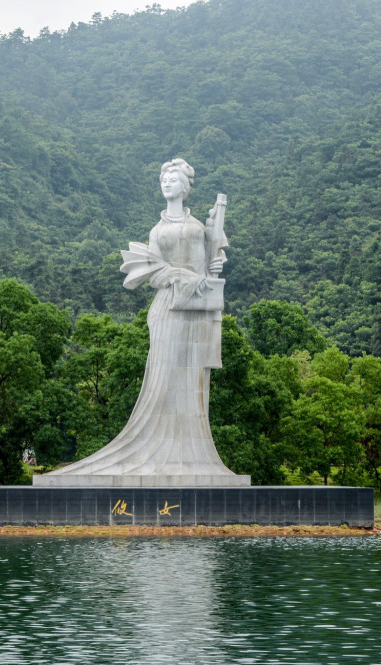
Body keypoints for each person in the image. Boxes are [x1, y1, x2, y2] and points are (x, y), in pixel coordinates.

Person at [39, 158, 241, 483]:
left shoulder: (199, 229)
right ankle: (152, 453)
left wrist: (212, 269)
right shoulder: (157, 231)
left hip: (195, 313)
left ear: (186, 186)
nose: (167, 182)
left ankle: (190, 456)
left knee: (192, 387)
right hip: (167, 312)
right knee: (162, 381)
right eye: (164, 177)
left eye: (173, 177)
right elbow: (154, 274)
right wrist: (179, 275)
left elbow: (209, 268)